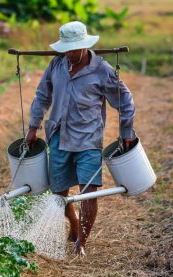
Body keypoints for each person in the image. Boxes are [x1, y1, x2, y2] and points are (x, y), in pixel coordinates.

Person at [25, 21, 137, 256]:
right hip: (58, 137)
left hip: (88, 140)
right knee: (59, 194)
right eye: (68, 49)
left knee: (89, 191)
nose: (72, 54)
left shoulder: (102, 70)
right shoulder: (56, 65)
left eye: (76, 49)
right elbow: (42, 96)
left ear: (86, 46)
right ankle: (74, 224)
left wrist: (126, 132)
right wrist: (33, 127)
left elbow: (125, 101)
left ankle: (81, 244)